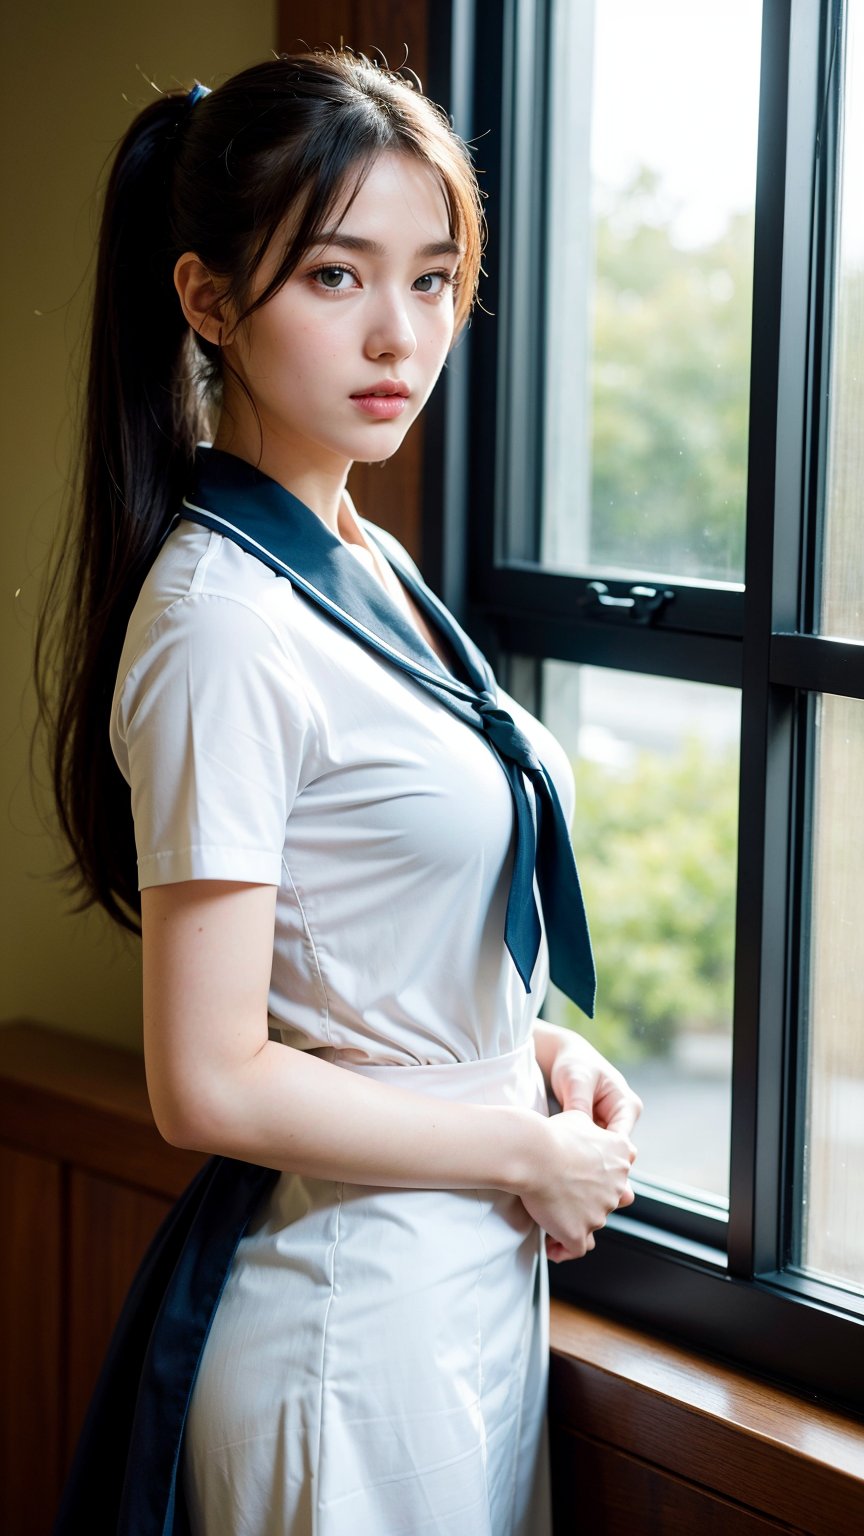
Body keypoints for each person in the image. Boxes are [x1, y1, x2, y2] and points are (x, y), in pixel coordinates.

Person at [39, 49, 642, 1536]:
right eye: (334, 277)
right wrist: (522, 1147)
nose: (400, 334)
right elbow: (209, 1078)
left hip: (453, 1295)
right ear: (208, 302)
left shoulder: (362, 560)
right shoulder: (223, 622)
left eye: (435, 278)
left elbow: (363, 928)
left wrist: (531, 1063)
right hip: (348, 1334)